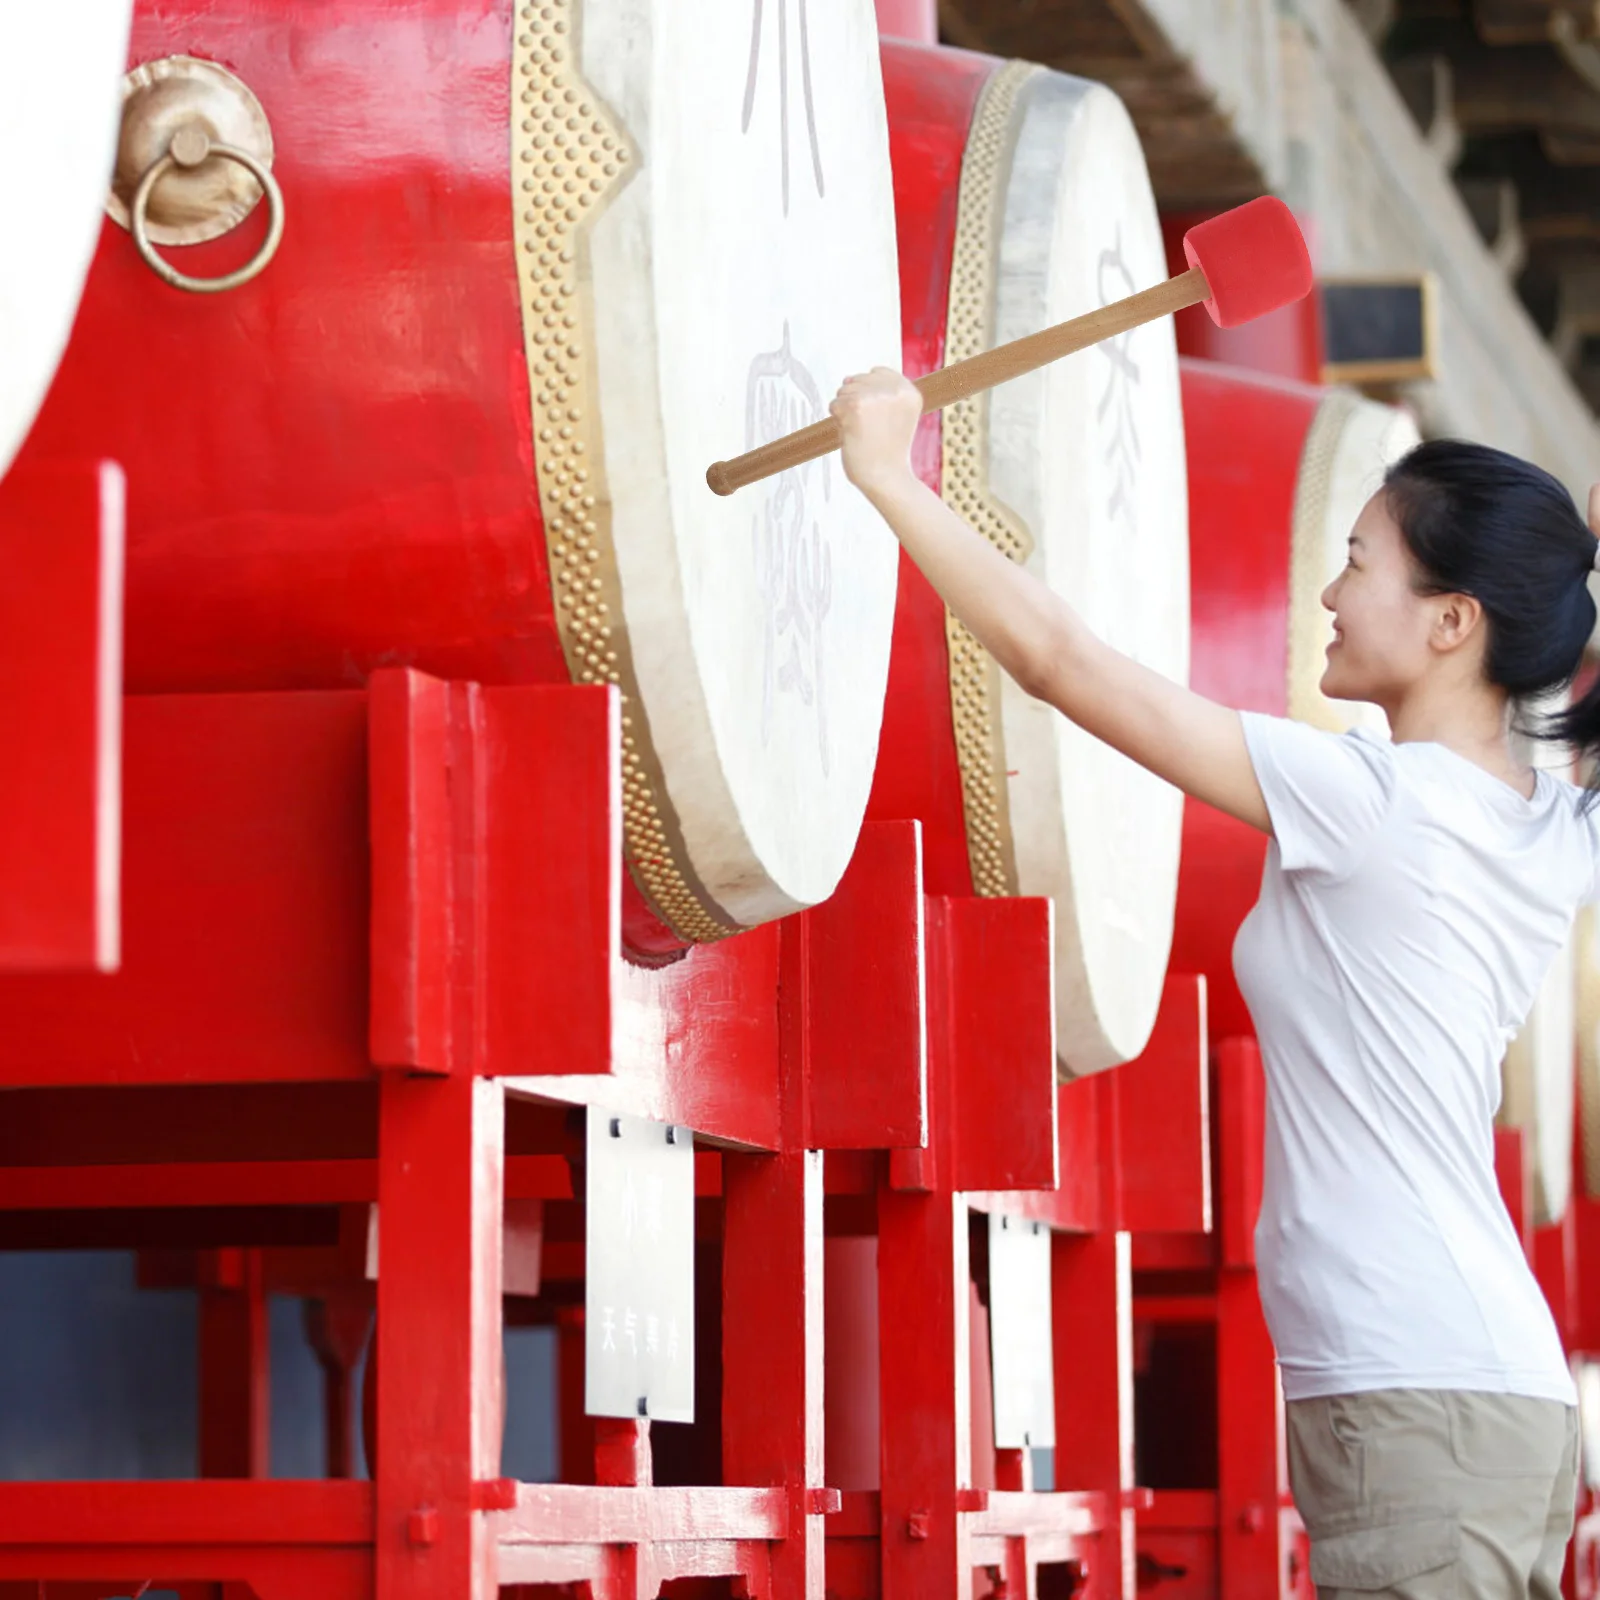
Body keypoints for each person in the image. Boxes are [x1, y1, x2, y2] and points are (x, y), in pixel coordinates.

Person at [830, 366, 1600, 1599]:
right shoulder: (1540, 827)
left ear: (1452, 621)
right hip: (1462, 1388)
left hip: (1419, 1391)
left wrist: (883, 472)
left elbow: (1062, 664)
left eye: (1359, 562)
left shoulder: (1369, 800)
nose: (1329, 593)